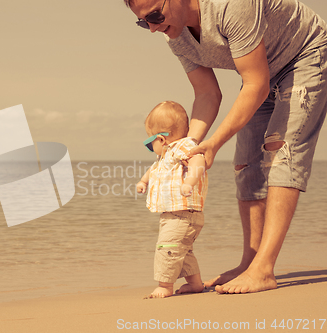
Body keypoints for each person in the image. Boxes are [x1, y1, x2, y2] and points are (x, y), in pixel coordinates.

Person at [124, 0, 327, 294]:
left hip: (305, 56)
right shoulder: (176, 33)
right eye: (144, 22)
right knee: (245, 163)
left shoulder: (231, 5)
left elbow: (255, 82)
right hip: (260, 74)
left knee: (281, 152)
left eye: (155, 16)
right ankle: (249, 262)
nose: (153, 28)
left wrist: (214, 143)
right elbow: (207, 93)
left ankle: (264, 269)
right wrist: (192, 147)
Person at [136, 101, 208, 298]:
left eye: (149, 144)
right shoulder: (165, 156)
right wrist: (143, 181)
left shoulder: (182, 147)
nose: (151, 148)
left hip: (183, 213)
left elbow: (198, 159)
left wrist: (190, 182)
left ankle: (165, 286)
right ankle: (195, 284)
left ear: (161, 139)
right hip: (175, 214)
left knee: (166, 247)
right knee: (182, 250)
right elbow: (154, 170)